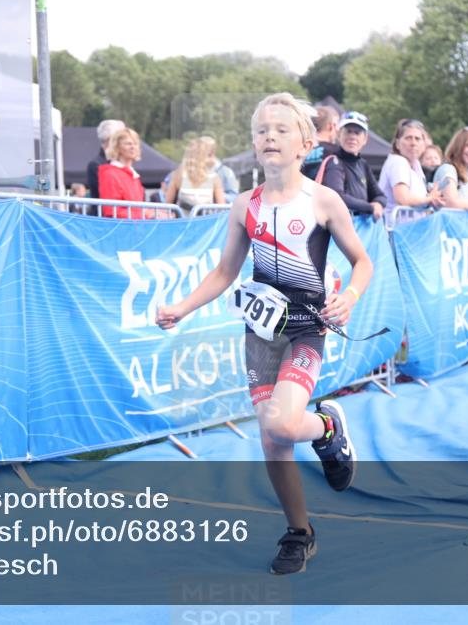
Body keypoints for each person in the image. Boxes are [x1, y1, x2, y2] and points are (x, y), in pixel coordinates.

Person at [157, 93, 373, 575]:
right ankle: (300, 532)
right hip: (260, 335)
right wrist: (182, 307)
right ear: (254, 144)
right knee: (272, 440)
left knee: (280, 424)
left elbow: (363, 261)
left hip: (306, 332)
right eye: (261, 130)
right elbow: (224, 271)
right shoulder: (242, 205)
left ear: (305, 142)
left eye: (280, 129)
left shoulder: (322, 199)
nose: (270, 137)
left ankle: (328, 427)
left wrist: (350, 298)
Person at [320, 111, 387, 221]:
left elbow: (380, 195)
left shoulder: (363, 164)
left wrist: (378, 204)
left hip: (361, 228)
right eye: (348, 131)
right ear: (339, 135)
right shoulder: (334, 161)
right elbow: (337, 196)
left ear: (365, 139)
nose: (352, 136)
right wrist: (370, 207)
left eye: (357, 132)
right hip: (340, 227)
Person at [378, 118, 442, 211]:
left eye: (417, 139)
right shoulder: (398, 162)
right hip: (396, 224)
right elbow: (402, 199)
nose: (413, 143)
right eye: (408, 138)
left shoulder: (416, 165)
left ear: (424, 145)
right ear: (397, 144)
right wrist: (430, 198)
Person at [165, 136, 225, 214]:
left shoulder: (178, 175)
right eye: (210, 155)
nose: (214, 158)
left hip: (184, 223)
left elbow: (167, 207)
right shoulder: (214, 178)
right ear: (200, 157)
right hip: (206, 224)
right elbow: (222, 208)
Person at [98, 127, 149, 218]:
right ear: (117, 147)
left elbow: (138, 209)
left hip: (137, 228)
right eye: (128, 143)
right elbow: (111, 211)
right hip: (121, 229)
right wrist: (146, 214)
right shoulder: (109, 174)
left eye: (135, 144)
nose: (133, 147)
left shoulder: (134, 176)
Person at [87, 119, 125, 215]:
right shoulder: (96, 165)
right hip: (104, 220)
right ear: (111, 140)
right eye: (120, 139)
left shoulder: (122, 163)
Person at [301, 104, 341, 179]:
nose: (338, 129)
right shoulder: (337, 152)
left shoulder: (301, 149)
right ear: (330, 126)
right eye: (336, 124)